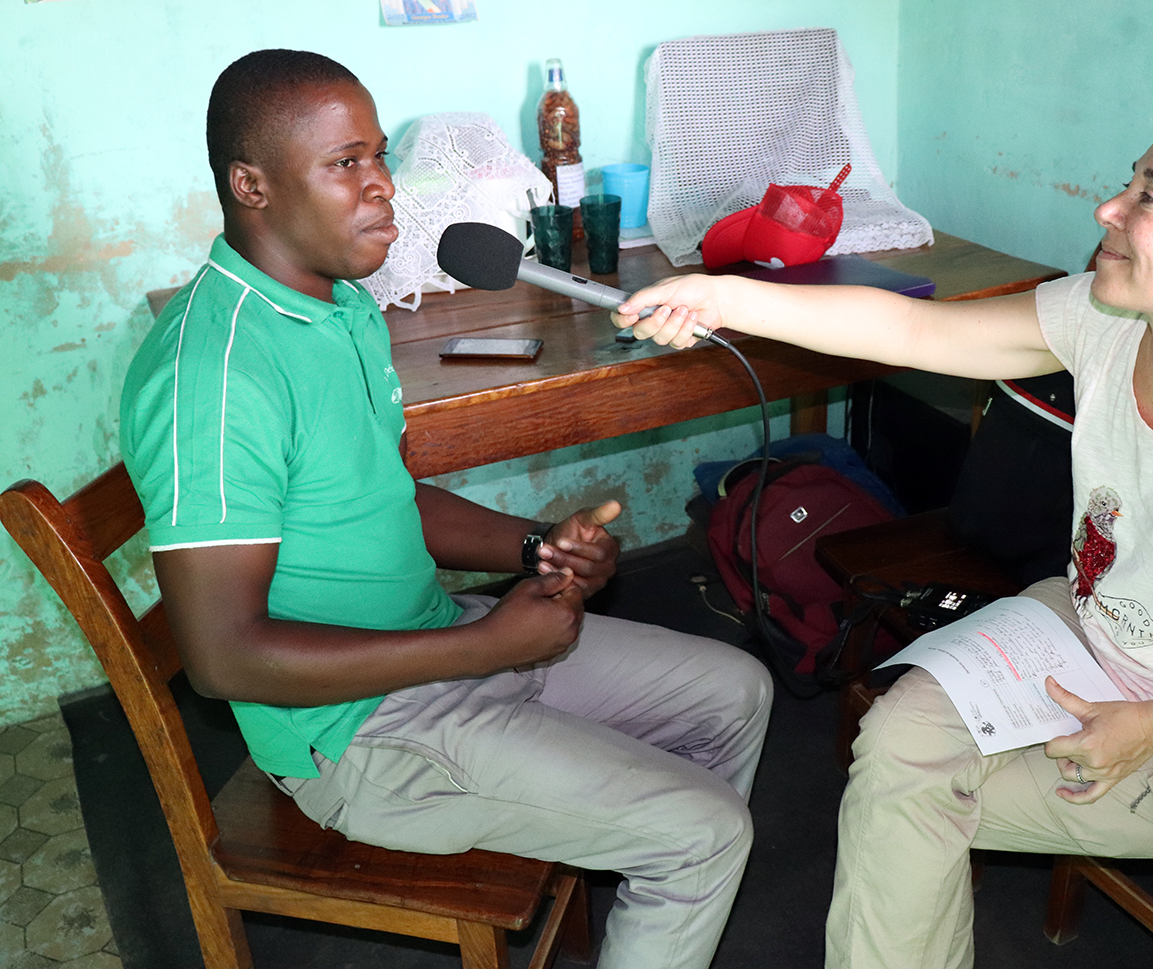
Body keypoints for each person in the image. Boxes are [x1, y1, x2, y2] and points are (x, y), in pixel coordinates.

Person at [616, 90, 1153, 968]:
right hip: (1090, 629)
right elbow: (911, 326)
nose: (1108, 207)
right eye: (1127, 181)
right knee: (895, 754)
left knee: (901, 799)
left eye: (1151, 195)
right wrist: (722, 294)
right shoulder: (1110, 321)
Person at [119, 49, 772, 969]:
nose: (383, 187)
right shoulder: (215, 376)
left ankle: (646, 883)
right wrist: (485, 647)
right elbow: (223, 659)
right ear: (251, 185)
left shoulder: (338, 305)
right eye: (345, 164)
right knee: (702, 831)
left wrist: (539, 547)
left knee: (736, 693)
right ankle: (670, 853)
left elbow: (386, 497)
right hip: (354, 733)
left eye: (379, 156)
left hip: (436, 635)